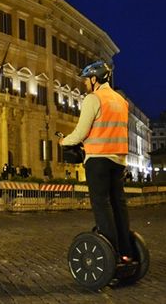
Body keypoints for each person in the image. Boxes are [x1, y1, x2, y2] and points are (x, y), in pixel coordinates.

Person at [60, 61, 133, 263]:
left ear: (94, 79)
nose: (84, 84)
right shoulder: (121, 101)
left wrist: (64, 141)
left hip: (98, 160)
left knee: (102, 205)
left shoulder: (94, 98)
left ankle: (112, 253)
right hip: (119, 160)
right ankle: (126, 250)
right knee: (119, 204)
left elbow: (81, 132)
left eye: (86, 80)